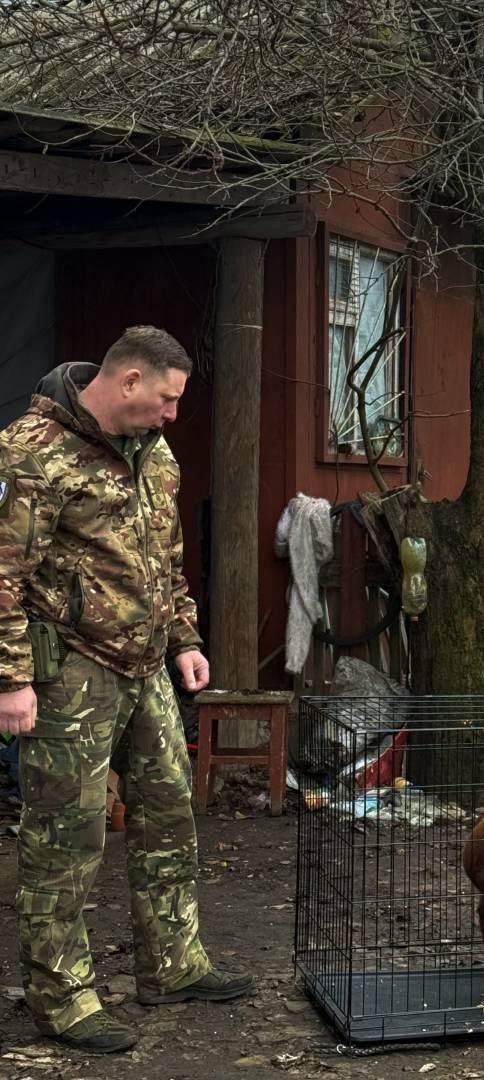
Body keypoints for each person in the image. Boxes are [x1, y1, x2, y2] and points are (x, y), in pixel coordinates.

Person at [0, 327, 254, 1054]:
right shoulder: (29, 451)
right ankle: (62, 996)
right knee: (67, 838)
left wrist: (186, 639)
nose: (175, 414)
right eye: (168, 399)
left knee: (171, 816)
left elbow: (166, 556)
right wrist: (11, 678)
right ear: (130, 380)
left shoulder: (156, 454)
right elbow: (1, 573)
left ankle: (173, 963)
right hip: (70, 669)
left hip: (145, 669)